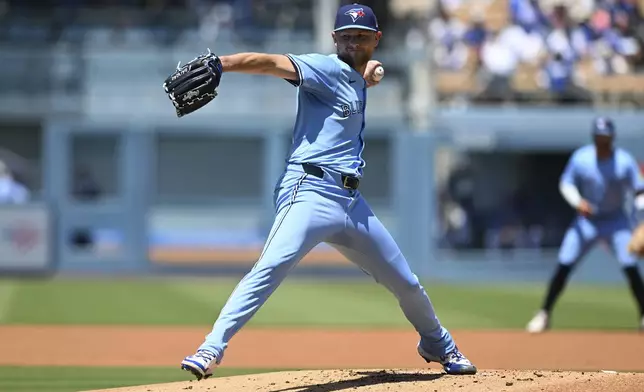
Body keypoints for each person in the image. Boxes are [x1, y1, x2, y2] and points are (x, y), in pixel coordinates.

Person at [179, 3, 477, 380]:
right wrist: (223, 63)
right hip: (310, 191)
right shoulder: (325, 67)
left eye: (362, 37)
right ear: (334, 39)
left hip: (352, 204)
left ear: (376, 40)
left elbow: (356, 77)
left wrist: (369, 72)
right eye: (347, 37)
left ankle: (438, 344)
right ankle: (210, 349)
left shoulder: (355, 74)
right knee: (269, 269)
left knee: (406, 282)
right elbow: (270, 63)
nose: (354, 43)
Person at [526, 117, 644, 333]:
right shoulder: (582, 158)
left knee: (630, 266)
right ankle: (544, 313)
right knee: (564, 264)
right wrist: (578, 202)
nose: (602, 142)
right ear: (593, 138)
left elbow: (639, 190)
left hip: (616, 220)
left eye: (605, 138)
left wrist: (641, 218)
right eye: (598, 138)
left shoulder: (624, 161)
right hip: (586, 221)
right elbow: (566, 182)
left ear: (612, 138)